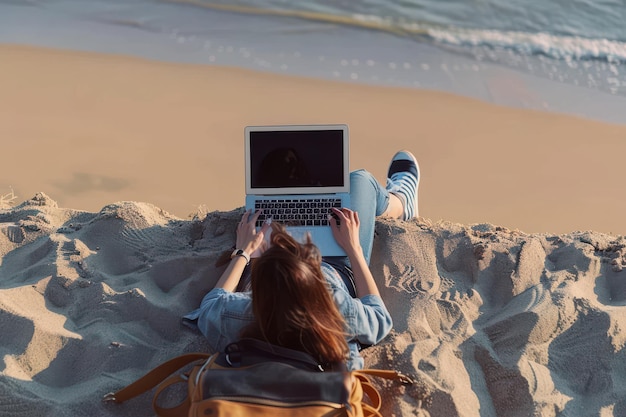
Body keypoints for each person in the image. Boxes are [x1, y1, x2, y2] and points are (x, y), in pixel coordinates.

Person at [184, 150, 420, 370]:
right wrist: (354, 249)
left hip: (289, 277)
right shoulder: (335, 307)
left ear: (258, 283)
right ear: (315, 279)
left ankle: (289, 190)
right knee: (360, 179)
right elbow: (379, 316)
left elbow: (209, 306)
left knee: (272, 185)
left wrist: (244, 252)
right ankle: (402, 201)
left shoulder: (244, 311)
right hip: (336, 267)